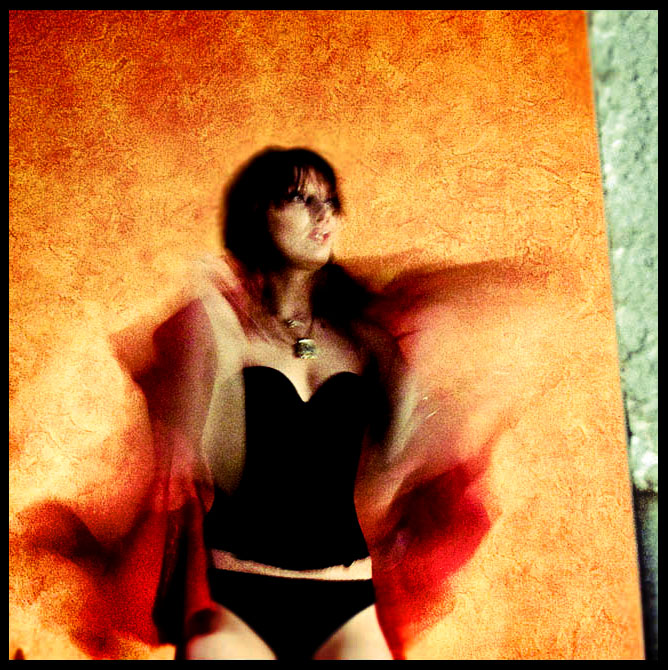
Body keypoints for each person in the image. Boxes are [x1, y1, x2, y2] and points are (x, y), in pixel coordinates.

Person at [147, 147, 419, 660]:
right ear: (258, 213)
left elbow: (404, 456)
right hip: (239, 596)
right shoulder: (218, 328)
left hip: (347, 600)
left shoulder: (365, 341)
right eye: (300, 198)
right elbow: (181, 443)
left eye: (330, 202)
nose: (323, 215)